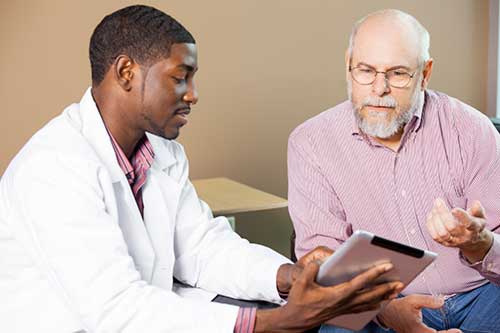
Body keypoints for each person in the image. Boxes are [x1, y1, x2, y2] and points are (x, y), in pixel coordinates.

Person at [0, 5, 404, 333]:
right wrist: (275, 323)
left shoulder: (159, 151)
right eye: (181, 77)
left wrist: (289, 275)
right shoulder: (54, 168)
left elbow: (201, 248)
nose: (193, 94)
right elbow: (116, 311)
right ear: (127, 73)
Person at [288, 8, 500, 333]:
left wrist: (479, 242)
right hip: (377, 303)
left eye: (398, 73)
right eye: (366, 70)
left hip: (483, 296)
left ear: (425, 73)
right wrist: (386, 311)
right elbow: (324, 262)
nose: (379, 88)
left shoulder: (473, 129)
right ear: (348, 65)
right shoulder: (311, 142)